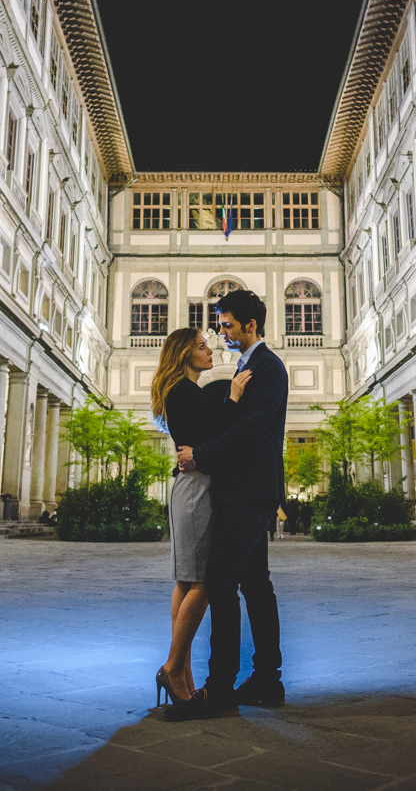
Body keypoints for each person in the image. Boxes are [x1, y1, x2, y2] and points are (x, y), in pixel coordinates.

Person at [167, 288, 288, 721]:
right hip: (242, 490)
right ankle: (266, 680)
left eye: (227, 324)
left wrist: (201, 456)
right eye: (219, 324)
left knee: (220, 581)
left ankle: (220, 686)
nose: (221, 331)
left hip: (250, 492)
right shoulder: (246, 366)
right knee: (255, 583)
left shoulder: (267, 367)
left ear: (250, 326)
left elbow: (252, 429)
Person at [151, 327, 252, 705]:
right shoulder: (183, 391)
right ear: (183, 353)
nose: (209, 350)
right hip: (195, 487)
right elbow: (216, 432)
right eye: (201, 346)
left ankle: (182, 675)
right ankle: (174, 668)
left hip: (191, 484)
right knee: (204, 581)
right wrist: (235, 397)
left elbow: (203, 438)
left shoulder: (181, 390)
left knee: (186, 580)